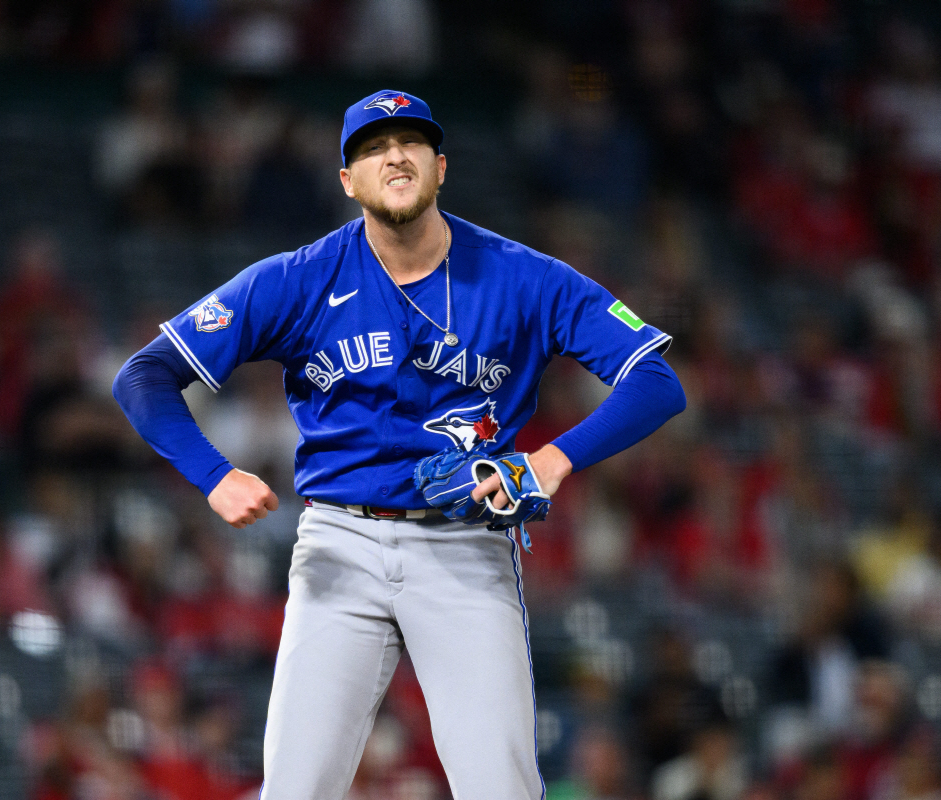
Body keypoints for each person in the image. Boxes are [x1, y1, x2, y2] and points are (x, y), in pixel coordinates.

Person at [113, 90, 686, 798]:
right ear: (347, 180)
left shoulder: (521, 276)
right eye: (373, 147)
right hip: (338, 546)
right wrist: (212, 474)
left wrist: (553, 458)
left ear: (440, 167)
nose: (394, 155)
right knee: (294, 789)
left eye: (411, 142)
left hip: (466, 550)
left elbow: (655, 380)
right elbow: (143, 377)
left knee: (502, 788)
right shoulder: (297, 279)